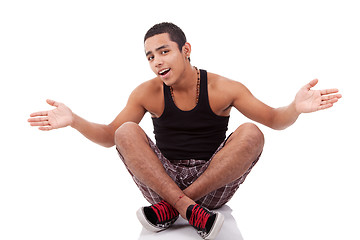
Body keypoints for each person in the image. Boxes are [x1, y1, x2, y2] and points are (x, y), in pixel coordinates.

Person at [28, 22, 342, 240]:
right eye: (150, 56)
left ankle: (175, 208)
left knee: (252, 132)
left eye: (164, 51)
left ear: (185, 49)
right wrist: (74, 120)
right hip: (161, 180)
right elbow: (111, 136)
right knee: (125, 131)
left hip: (212, 183)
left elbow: (274, 119)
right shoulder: (146, 92)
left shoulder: (223, 88)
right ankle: (186, 208)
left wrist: (295, 108)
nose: (156, 62)